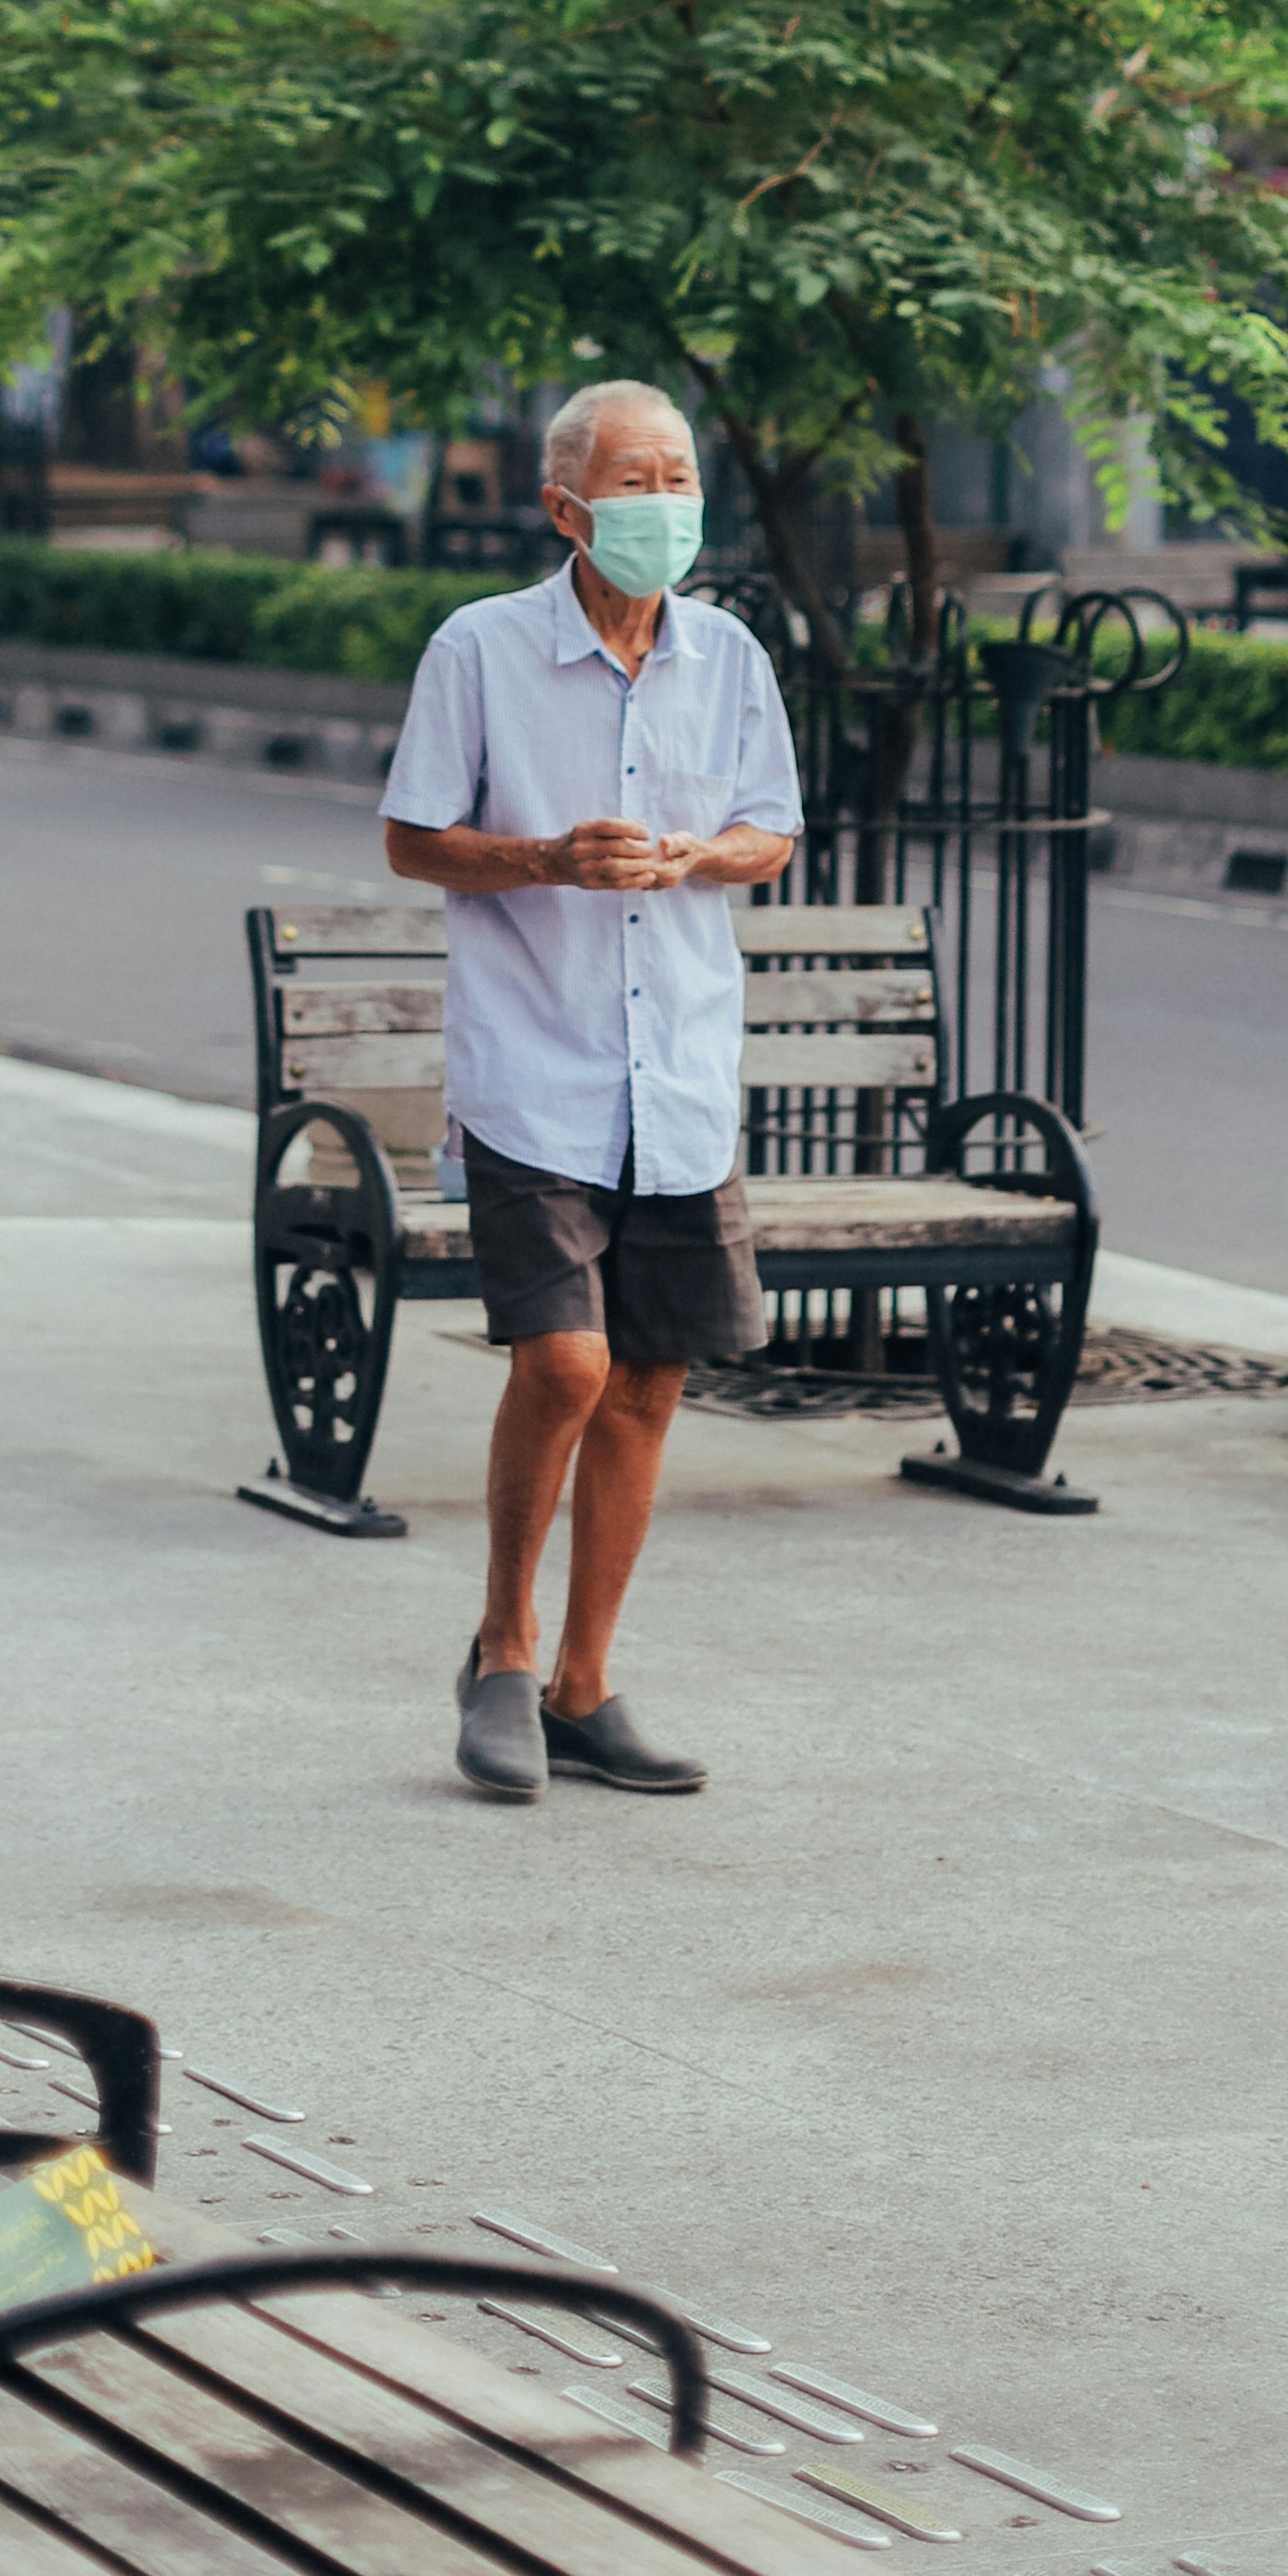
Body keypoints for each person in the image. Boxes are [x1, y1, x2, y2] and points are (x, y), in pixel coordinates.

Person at [378, 382, 801, 1804]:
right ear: (567, 508)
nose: (666, 501)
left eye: (681, 473)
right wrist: (548, 859)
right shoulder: (481, 650)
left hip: (678, 1072)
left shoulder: (729, 654)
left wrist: (693, 855)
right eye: (637, 479)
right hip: (536, 1069)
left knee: (652, 1383)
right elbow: (412, 839)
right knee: (565, 1363)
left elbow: (772, 834)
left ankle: (584, 1686)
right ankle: (500, 1649)